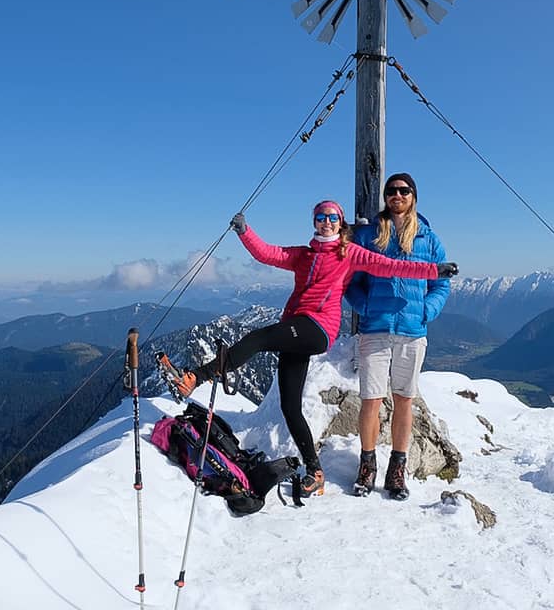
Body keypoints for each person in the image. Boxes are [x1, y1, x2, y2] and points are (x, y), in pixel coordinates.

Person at [156, 199, 458, 497]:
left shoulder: (350, 253)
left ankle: (195, 376)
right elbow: (269, 254)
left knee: (258, 339)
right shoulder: (304, 255)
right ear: (314, 222)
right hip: (296, 329)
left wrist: (435, 271)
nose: (326, 222)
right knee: (290, 406)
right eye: (320, 217)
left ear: (341, 224)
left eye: (332, 217)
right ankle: (315, 470)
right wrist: (245, 232)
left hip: (318, 329)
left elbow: (391, 266)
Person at [344, 173, 449, 500]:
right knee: (370, 400)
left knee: (405, 400)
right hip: (376, 329)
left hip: (412, 330)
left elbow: (441, 284)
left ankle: (397, 469)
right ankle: (368, 464)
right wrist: (368, 306)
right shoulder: (370, 236)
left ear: (414, 196)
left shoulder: (428, 239)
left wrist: (426, 311)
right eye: (391, 191)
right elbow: (351, 281)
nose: (397, 195)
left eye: (404, 191)